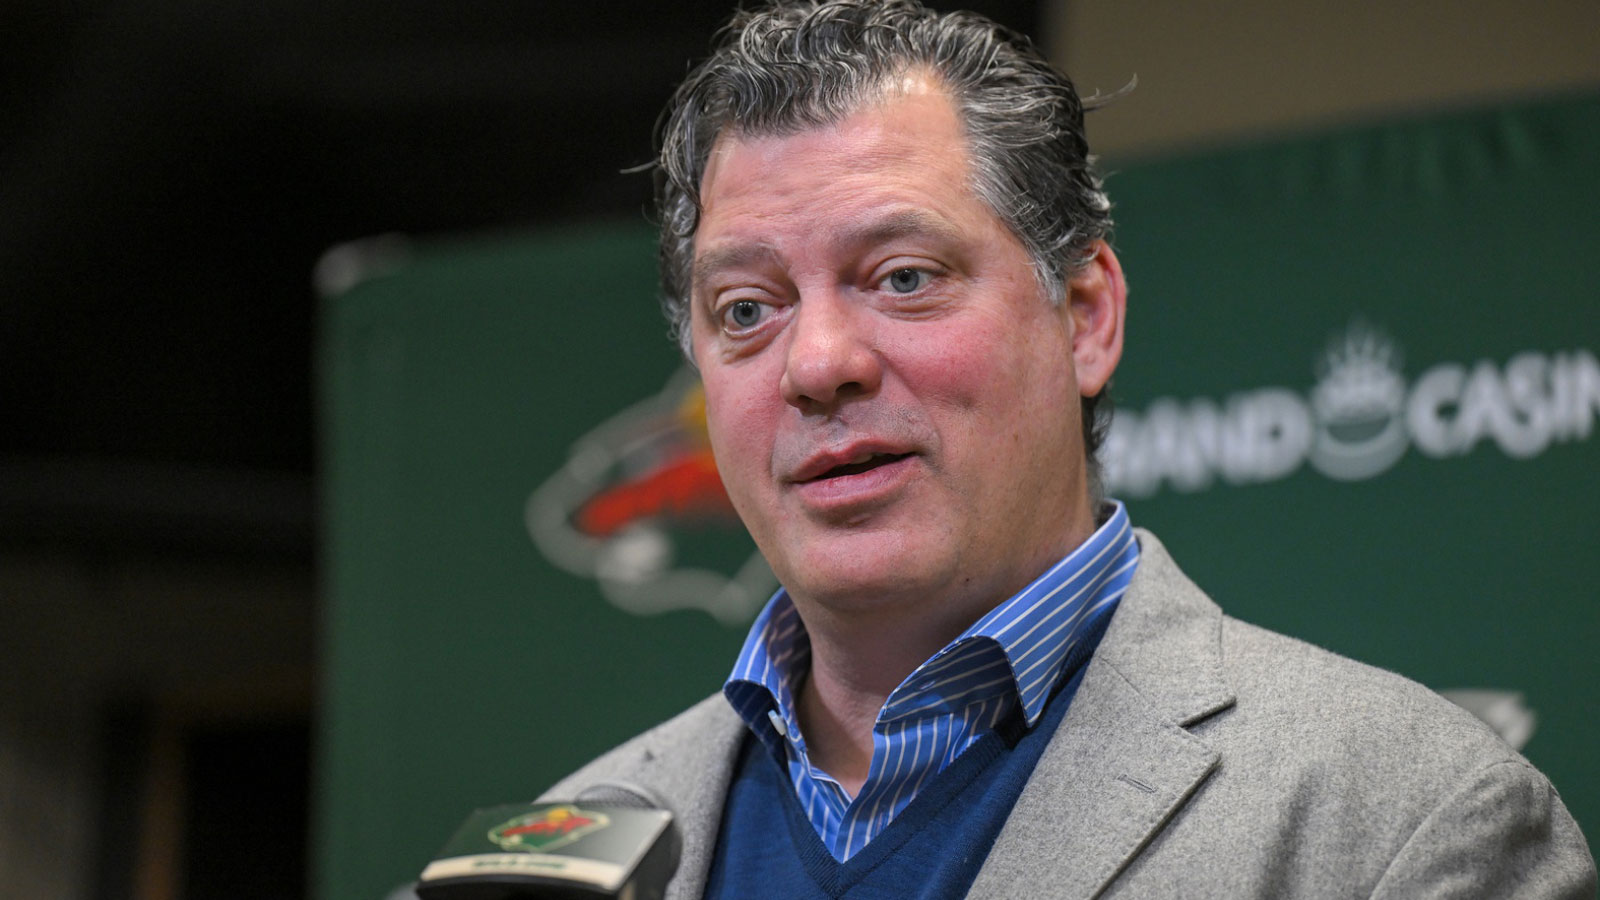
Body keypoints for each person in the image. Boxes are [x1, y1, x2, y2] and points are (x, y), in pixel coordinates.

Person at [543, 2, 1597, 897]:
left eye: (903, 275)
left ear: (1084, 315)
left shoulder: (1403, 824)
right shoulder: (563, 842)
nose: (816, 363)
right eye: (746, 308)